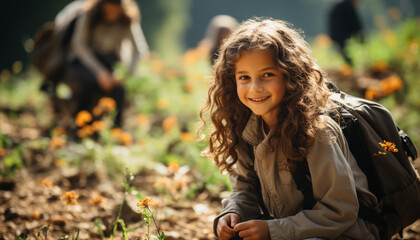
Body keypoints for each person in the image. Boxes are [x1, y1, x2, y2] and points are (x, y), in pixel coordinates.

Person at [200, 18, 380, 239]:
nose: (255, 88)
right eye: (244, 78)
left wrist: (272, 230)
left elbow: (340, 213)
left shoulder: (317, 132)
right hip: (292, 231)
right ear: (231, 81)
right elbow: (244, 187)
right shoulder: (245, 128)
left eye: (267, 75)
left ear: (291, 75)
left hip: (346, 233)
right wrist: (233, 213)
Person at [66, 0, 149, 127]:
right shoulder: (89, 15)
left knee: (119, 89)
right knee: (88, 83)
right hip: (84, 60)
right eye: (108, 11)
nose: (111, 15)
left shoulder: (127, 19)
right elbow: (79, 46)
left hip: (109, 61)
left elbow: (140, 50)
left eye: (115, 11)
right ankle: (79, 126)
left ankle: (116, 129)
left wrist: (124, 74)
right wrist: (99, 72)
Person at [328, 0, 364, 65]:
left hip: (338, 40)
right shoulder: (348, 6)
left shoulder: (337, 6)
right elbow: (356, 25)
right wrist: (363, 40)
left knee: (345, 61)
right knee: (351, 61)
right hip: (347, 41)